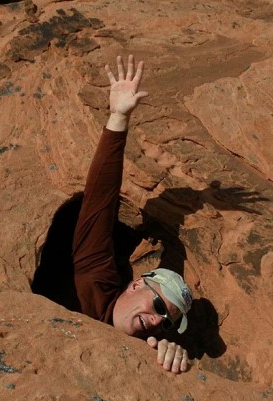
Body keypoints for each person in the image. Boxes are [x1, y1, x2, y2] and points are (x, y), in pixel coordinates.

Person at [72, 55, 192, 374]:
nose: (155, 321)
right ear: (136, 285)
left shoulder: (146, 347)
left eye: (165, 324)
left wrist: (171, 353)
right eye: (157, 306)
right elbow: (99, 206)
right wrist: (118, 118)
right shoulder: (95, 280)